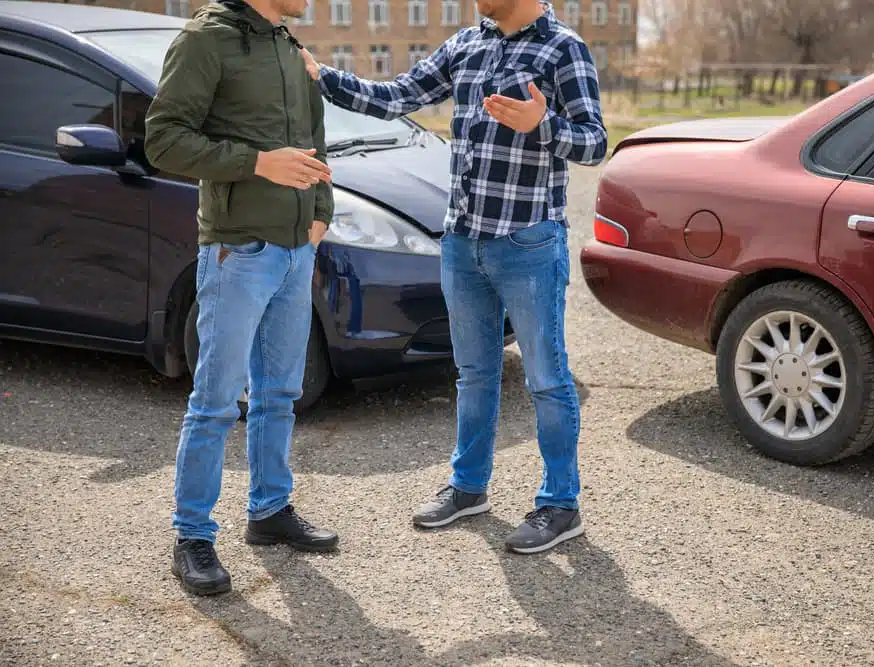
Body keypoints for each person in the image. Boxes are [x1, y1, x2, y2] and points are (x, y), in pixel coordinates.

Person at [302, 0, 606, 554]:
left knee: (546, 376)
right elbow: (398, 97)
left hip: (527, 242)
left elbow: (594, 142)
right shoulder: (466, 44)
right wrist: (325, 79)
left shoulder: (564, 48)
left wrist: (544, 125)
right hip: (462, 242)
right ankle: (469, 488)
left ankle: (561, 504)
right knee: (473, 373)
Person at [144, 0, 339, 596]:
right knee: (216, 401)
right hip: (237, 252)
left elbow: (314, 141)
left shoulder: (287, 44)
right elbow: (164, 140)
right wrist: (257, 164)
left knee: (280, 392)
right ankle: (193, 536)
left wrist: (320, 215)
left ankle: (270, 511)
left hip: (295, 250)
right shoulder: (206, 40)